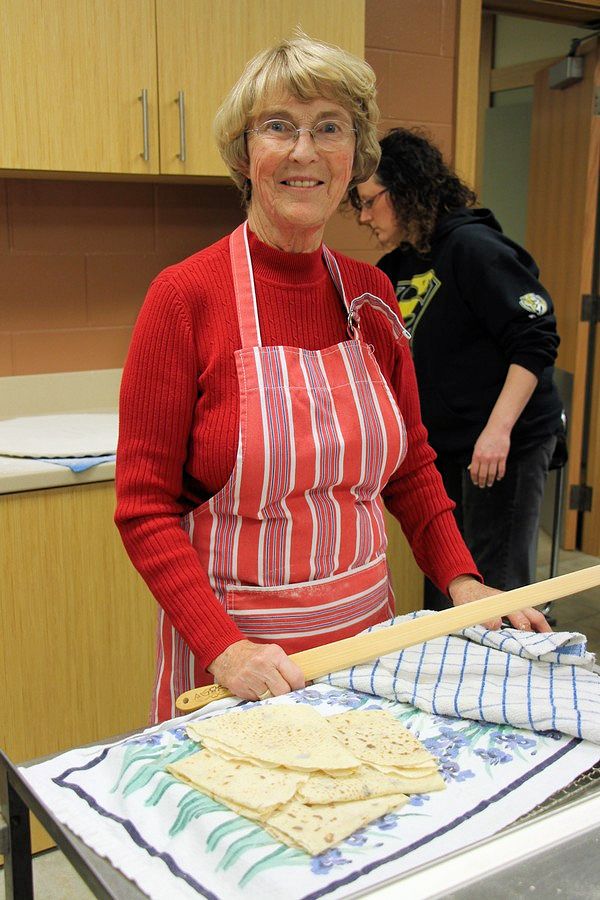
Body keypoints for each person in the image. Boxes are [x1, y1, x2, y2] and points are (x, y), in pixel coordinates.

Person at [115, 37, 551, 723]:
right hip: (239, 664)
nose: (304, 152)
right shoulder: (183, 299)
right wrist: (226, 651)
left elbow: (410, 465)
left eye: (329, 128)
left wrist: (465, 582)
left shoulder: (372, 296)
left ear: (356, 155)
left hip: (367, 652)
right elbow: (143, 509)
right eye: (278, 126)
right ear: (243, 153)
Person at [350, 127, 563, 611]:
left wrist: (498, 431)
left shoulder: (474, 248)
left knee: (498, 584)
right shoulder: (399, 265)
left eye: (369, 201)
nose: (363, 216)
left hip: (502, 441)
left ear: (403, 190)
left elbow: (534, 339)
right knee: (451, 583)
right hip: (446, 444)